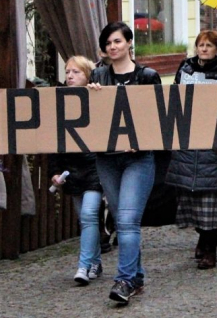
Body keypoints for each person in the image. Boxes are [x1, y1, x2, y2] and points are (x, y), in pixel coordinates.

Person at [89, 22, 161, 304]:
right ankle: (136, 277)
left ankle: (125, 280)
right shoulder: (97, 75)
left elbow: (159, 118)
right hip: (107, 158)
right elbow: (89, 117)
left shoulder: (148, 76)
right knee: (122, 221)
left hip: (138, 159)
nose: (112, 47)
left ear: (129, 42)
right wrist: (90, 94)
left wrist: (142, 140)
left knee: (128, 219)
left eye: (117, 41)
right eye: (108, 43)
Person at [165, 31, 217, 269]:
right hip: (188, 141)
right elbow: (174, 102)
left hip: (214, 141)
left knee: (211, 199)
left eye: (209, 45)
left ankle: (210, 247)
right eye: (200, 45)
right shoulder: (184, 71)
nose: (204, 49)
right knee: (191, 197)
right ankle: (202, 237)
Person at [49, 56, 104, 285]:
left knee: (89, 214)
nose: (70, 76)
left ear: (88, 75)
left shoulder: (99, 97)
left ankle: (84, 265)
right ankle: (95, 262)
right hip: (71, 167)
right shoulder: (60, 102)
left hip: (94, 166)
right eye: (67, 71)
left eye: (76, 72)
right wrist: (55, 170)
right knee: (85, 219)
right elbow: (55, 139)